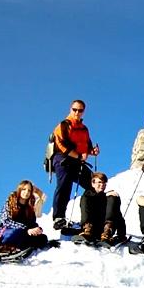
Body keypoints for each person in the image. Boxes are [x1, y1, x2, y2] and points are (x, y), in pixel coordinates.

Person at [51, 99, 100, 230]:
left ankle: (91, 219)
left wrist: (93, 151)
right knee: (64, 185)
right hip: (62, 159)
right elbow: (61, 145)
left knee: (93, 185)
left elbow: (87, 146)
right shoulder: (64, 125)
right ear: (70, 109)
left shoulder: (84, 129)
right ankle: (58, 218)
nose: (77, 112)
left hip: (76, 160)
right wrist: (78, 156)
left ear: (84, 112)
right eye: (75, 110)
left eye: (80, 110)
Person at [0, 180, 49, 253]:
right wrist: (26, 230)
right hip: (5, 233)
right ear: (19, 189)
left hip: (23, 233)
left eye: (29, 190)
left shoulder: (29, 206)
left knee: (42, 238)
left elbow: (31, 223)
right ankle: (5, 248)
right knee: (17, 232)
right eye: (24, 189)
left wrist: (37, 229)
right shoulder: (11, 201)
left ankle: (21, 247)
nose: (26, 192)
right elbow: (6, 221)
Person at [78, 172, 127, 245]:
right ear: (93, 184)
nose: (102, 185)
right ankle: (87, 229)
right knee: (85, 198)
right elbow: (91, 197)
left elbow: (118, 214)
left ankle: (107, 232)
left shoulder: (109, 198)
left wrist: (121, 234)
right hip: (92, 228)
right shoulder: (87, 197)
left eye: (104, 183)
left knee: (112, 198)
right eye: (99, 182)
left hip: (104, 230)